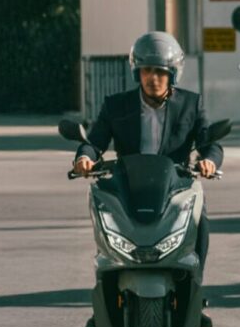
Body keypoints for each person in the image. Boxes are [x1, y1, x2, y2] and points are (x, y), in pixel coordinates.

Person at [73, 31, 223, 256]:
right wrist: (85, 158)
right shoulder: (116, 106)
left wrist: (209, 161)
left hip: (175, 184)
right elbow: (94, 143)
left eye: (161, 72)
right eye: (147, 70)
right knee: (105, 219)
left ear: (173, 74)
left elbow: (209, 142)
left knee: (199, 218)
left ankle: (194, 283)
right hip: (128, 184)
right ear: (137, 72)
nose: (153, 78)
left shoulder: (191, 104)